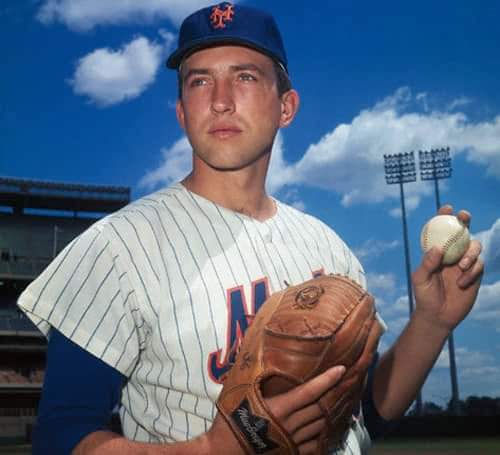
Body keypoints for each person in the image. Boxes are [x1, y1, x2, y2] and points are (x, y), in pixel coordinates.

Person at [18, 3, 484, 454]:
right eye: (200, 81)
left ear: (286, 106)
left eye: (245, 77)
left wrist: (432, 321)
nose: (220, 101)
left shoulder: (329, 246)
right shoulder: (115, 248)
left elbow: (365, 414)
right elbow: (61, 437)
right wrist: (211, 449)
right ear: (182, 112)